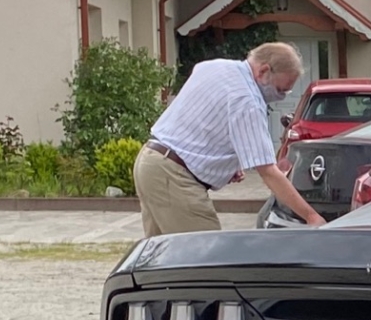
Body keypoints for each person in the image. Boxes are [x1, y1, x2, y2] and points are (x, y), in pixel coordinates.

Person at [133, 42, 326, 235]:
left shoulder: (214, 67)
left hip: (151, 160)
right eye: (280, 90)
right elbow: (268, 171)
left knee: (161, 256)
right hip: (173, 176)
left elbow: (206, 118)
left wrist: (224, 164)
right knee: (207, 256)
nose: (281, 97)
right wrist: (310, 216)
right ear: (263, 71)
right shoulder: (247, 101)